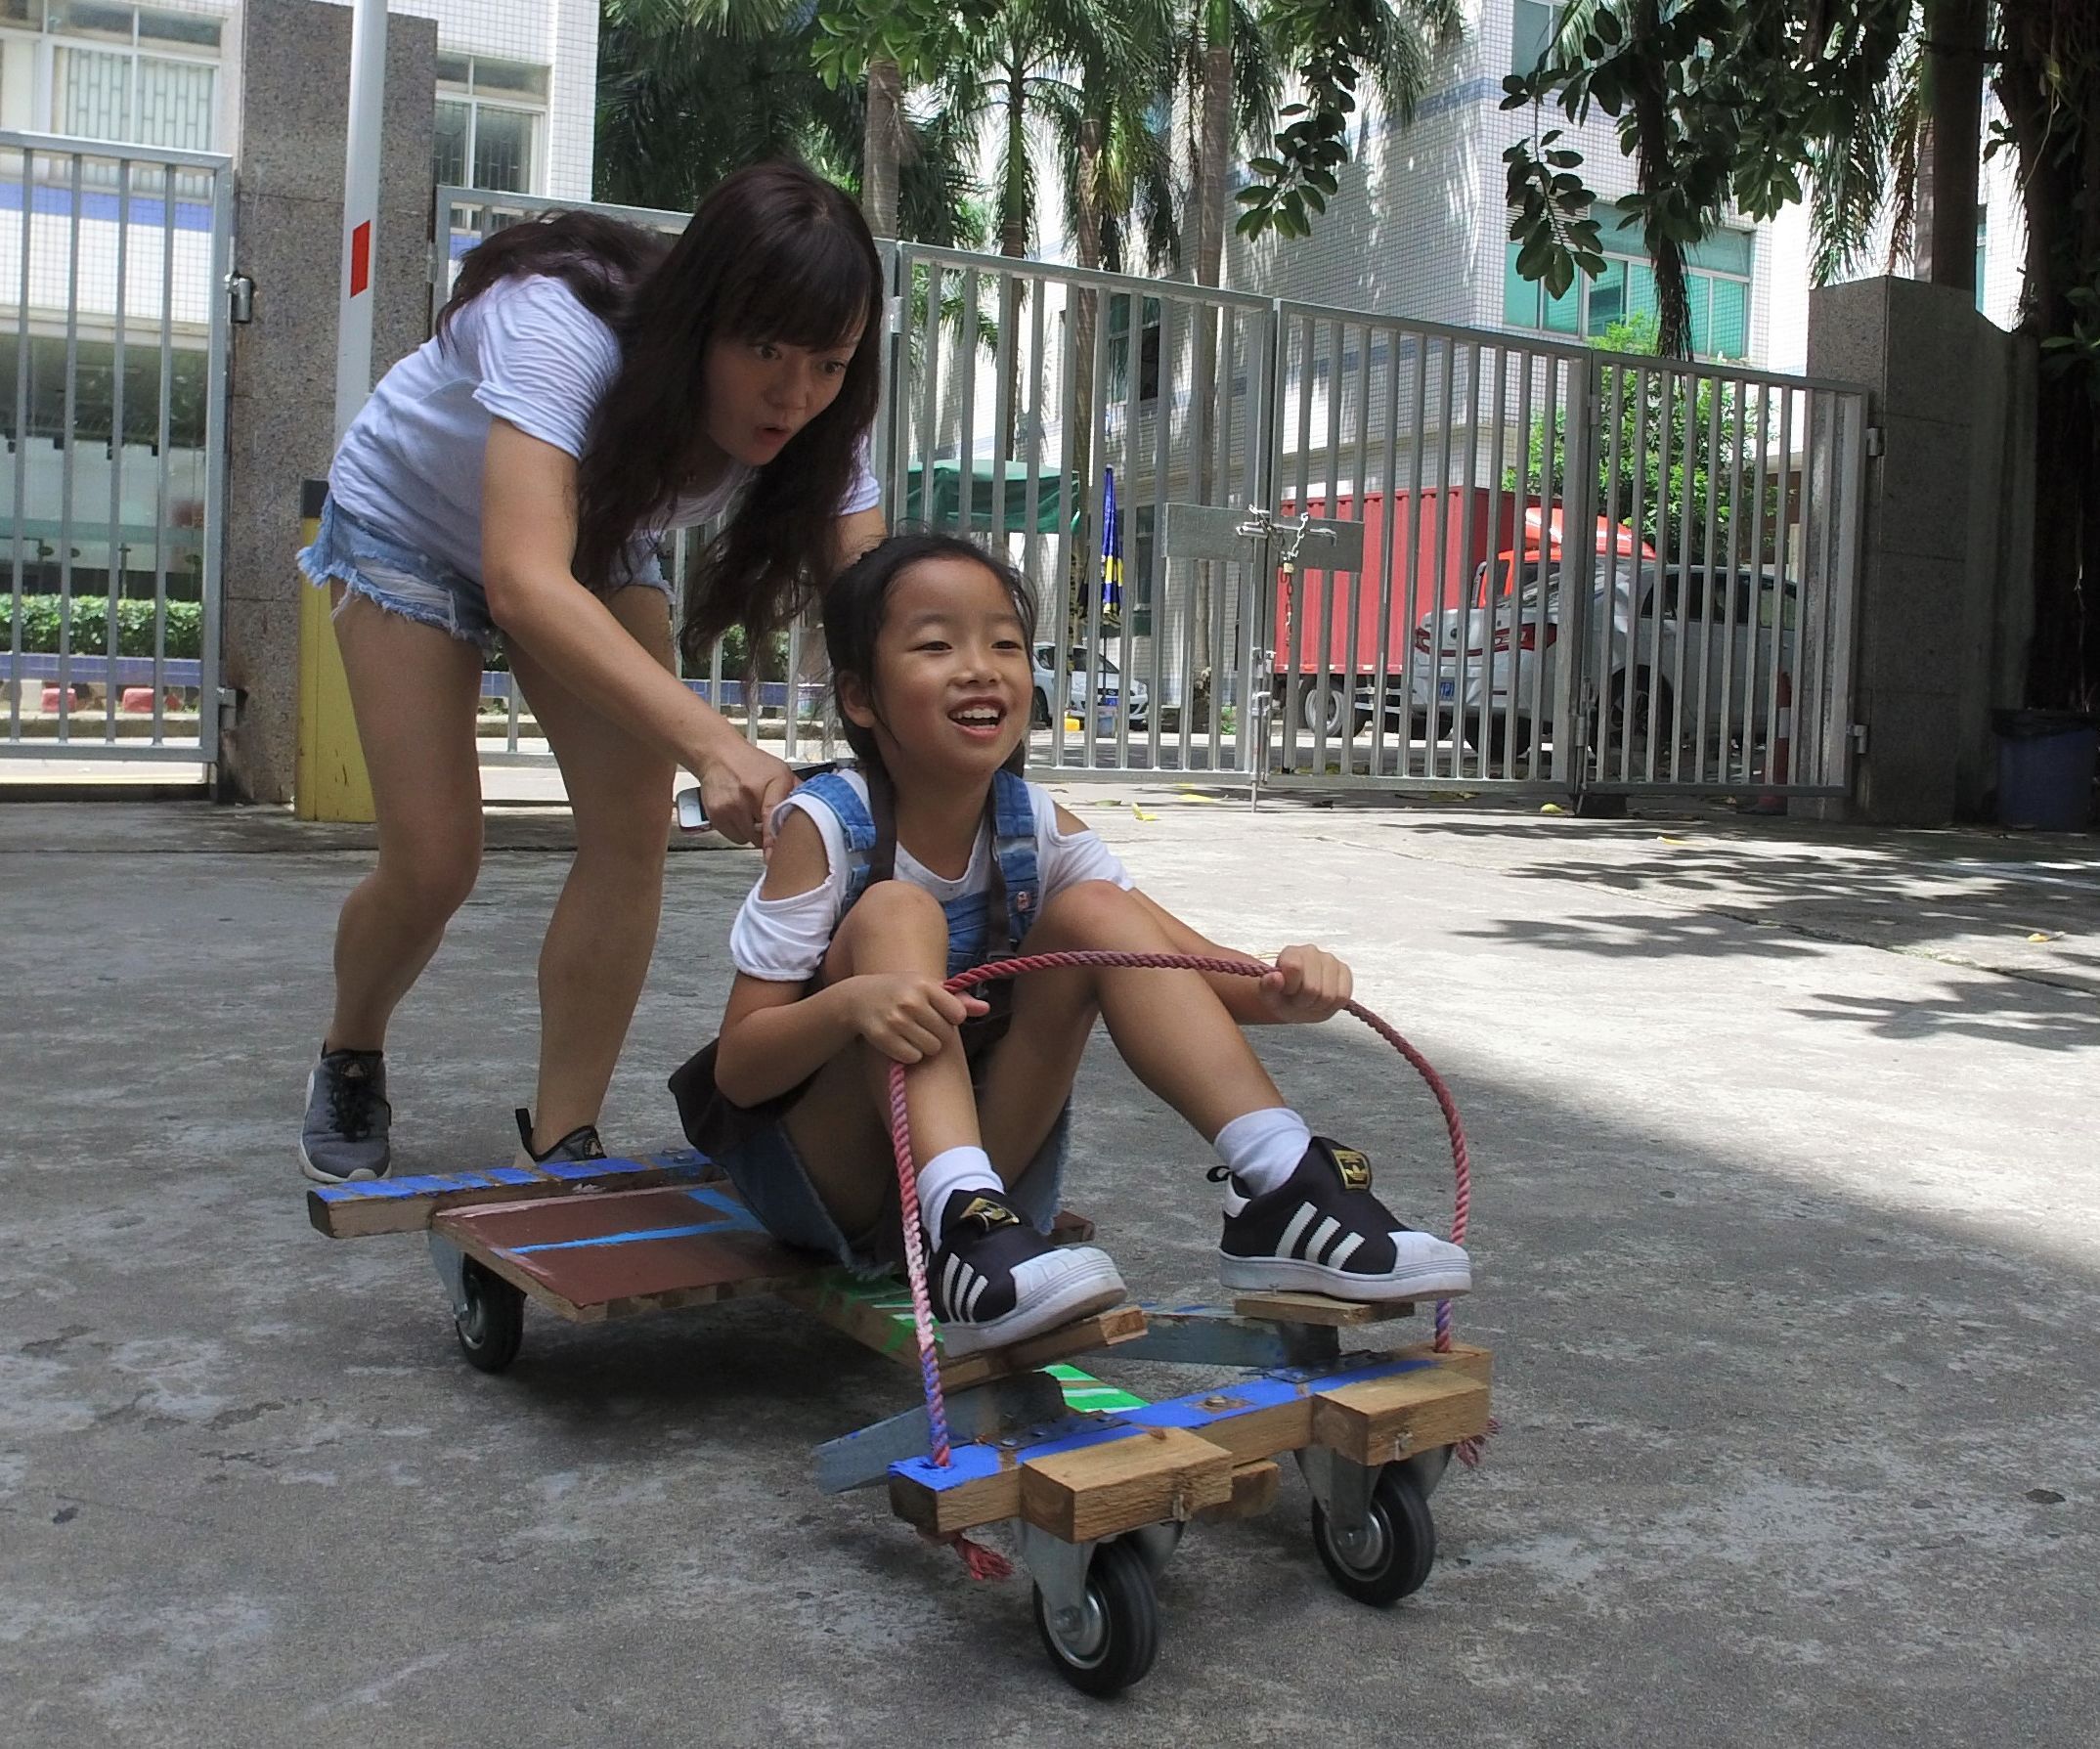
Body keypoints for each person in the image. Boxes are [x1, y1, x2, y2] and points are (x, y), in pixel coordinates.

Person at [671, 533, 1471, 1356]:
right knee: (895, 912)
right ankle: (961, 1224)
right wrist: (851, 1005)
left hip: (990, 1160)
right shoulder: (825, 824)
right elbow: (741, 1066)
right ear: (861, 697)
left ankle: (1280, 1179)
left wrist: (1284, 986)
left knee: (1098, 913)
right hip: (830, 1177)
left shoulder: (1037, 826)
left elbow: (1176, 963)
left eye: (1006, 643)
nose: (981, 667)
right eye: (937, 643)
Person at [292, 162, 889, 1186]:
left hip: (593, 534)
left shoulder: (828, 410)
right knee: (435, 861)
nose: (795, 393)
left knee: (630, 837)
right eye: (764, 351)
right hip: (409, 529)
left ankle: (561, 1139)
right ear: (701, 316)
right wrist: (714, 745)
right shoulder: (556, 328)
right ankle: (351, 1048)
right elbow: (525, 582)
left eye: (828, 363)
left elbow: (870, 600)